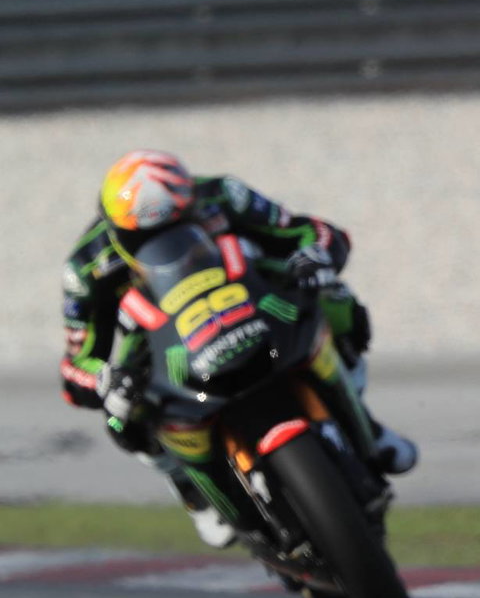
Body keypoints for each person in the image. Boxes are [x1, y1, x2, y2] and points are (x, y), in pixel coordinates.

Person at [59, 150, 418, 548]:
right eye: (144, 239)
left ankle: (365, 423)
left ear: (190, 202)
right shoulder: (86, 267)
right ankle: (190, 489)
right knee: (121, 415)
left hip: (248, 298)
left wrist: (314, 257)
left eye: (179, 226)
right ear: (117, 230)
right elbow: (75, 365)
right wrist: (106, 380)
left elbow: (310, 231)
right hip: (163, 343)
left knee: (336, 296)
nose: (166, 243)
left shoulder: (223, 194)